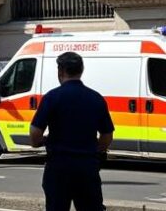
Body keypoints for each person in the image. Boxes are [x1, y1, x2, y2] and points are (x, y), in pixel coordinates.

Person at [29, 52, 114, 211]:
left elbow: (35, 133)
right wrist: (96, 149)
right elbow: (107, 136)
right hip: (87, 167)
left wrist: (41, 141)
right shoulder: (96, 98)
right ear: (81, 70)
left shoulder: (52, 97)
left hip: (58, 167)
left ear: (60, 71)